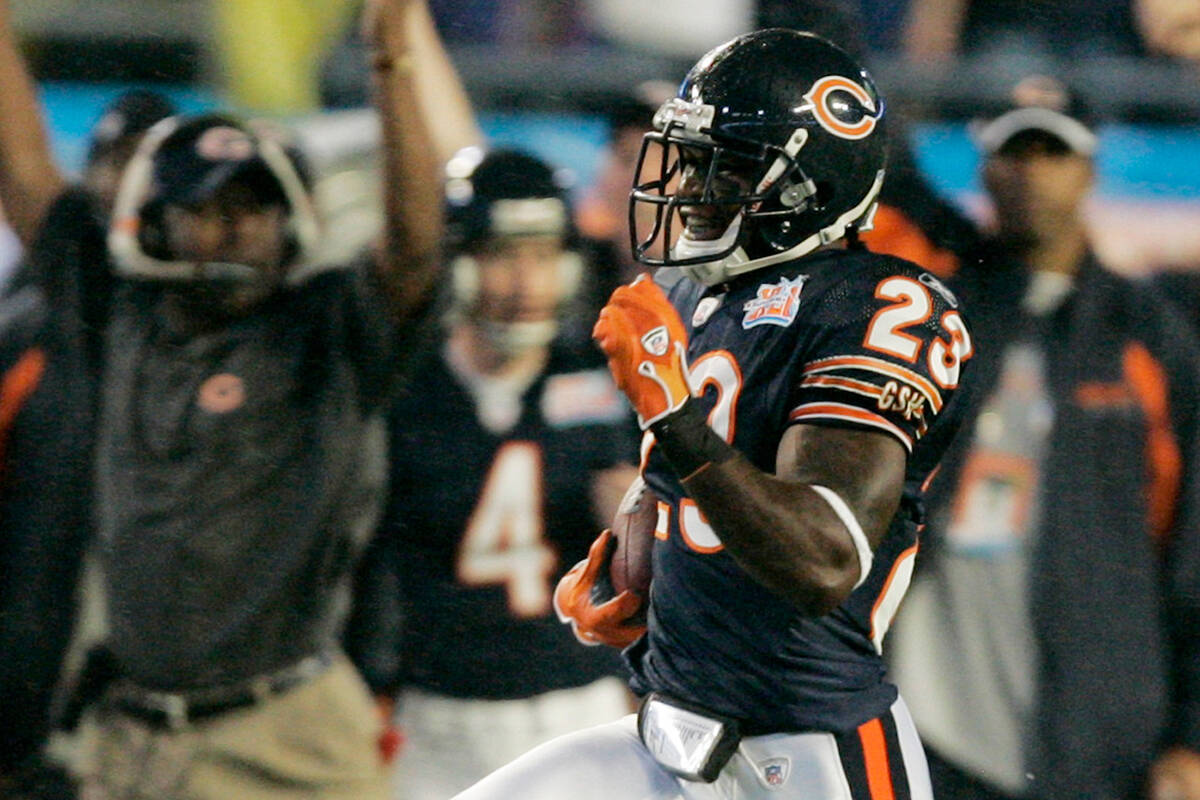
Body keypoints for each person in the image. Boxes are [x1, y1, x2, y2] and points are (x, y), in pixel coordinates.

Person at [457, 28, 975, 799]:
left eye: (726, 167)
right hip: (675, 731)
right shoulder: (708, 293)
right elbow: (711, 480)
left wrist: (674, 418)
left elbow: (824, 558)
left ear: (810, 186)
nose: (692, 187)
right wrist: (649, 569)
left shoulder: (880, 306)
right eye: (692, 159)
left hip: (809, 753)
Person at [0, 0, 443, 797]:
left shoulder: (329, 332)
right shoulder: (116, 312)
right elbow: (28, 175)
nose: (231, 228)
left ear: (289, 218)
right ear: (156, 225)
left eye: (250, 207)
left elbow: (414, 250)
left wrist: (391, 61)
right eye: (203, 209)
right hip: (133, 736)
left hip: (292, 734)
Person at [886, 75, 1200, 800]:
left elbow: (1191, 549)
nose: (1031, 172)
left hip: (1099, 726)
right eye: (1013, 151)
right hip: (929, 713)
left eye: (1051, 151)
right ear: (984, 168)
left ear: (1088, 169)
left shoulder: (1150, 338)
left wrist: (1189, 736)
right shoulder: (936, 314)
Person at [347, 146, 640, 799]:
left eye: (541, 256)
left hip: (582, 707)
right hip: (436, 716)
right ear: (458, 262)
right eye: (502, 254)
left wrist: (639, 526)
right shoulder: (401, 391)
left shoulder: (605, 381)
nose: (524, 282)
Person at [0, 4, 176, 792]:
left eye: (155, 166)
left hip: (187, 701)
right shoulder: (42, 316)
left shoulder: (272, 328)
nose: (131, 184)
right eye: (117, 160)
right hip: (37, 693)